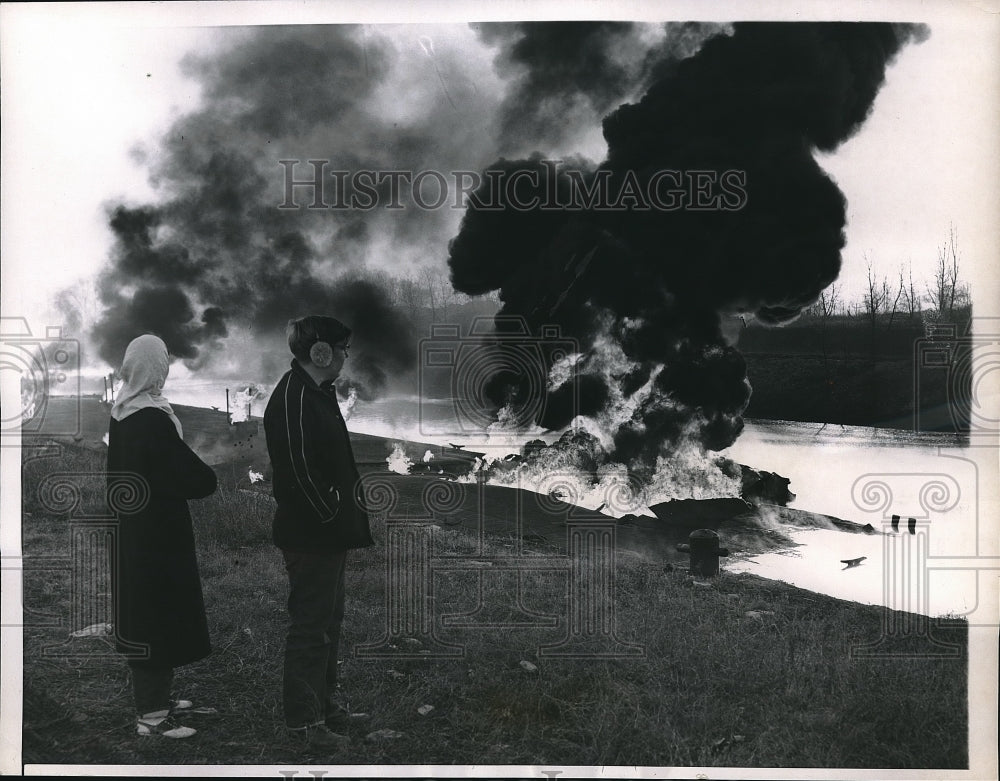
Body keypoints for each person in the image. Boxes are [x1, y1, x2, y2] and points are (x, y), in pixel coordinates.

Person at [263, 315, 374, 750]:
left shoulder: (316, 392)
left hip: (327, 534)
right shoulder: (293, 397)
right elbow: (295, 473)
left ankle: (327, 709)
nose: (347, 355)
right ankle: (305, 726)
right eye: (342, 348)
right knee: (311, 628)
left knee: (329, 621)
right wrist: (330, 514)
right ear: (322, 352)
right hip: (312, 536)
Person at [106, 334, 218, 739]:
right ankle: (151, 716)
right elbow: (197, 480)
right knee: (156, 615)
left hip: (135, 531)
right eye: (163, 362)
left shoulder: (122, 413)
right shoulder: (152, 419)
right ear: (155, 369)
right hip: (157, 535)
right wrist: (206, 475)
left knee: (148, 612)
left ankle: (158, 699)